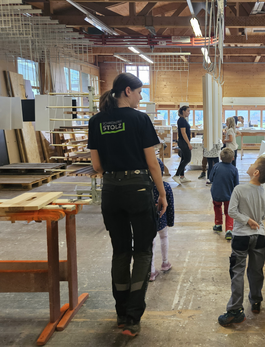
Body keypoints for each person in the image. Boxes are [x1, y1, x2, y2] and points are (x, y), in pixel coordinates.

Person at [88, 73, 168, 337]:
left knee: (120, 252)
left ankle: (121, 314)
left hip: (111, 191)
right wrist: (162, 193)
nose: (140, 97)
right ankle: (133, 318)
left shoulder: (96, 122)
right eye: (139, 92)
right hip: (138, 189)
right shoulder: (140, 119)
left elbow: (97, 167)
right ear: (127, 91)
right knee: (143, 252)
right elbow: (152, 163)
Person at [217, 157, 265, 327]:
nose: (250, 166)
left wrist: (246, 220)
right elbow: (264, 216)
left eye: (253, 164)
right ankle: (256, 301)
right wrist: (254, 220)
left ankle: (235, 310)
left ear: (256, 172)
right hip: (259, 236)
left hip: (241, 237)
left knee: (237, 271)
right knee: (256, 270)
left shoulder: (239, 189)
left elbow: (231, 211)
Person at [150, 158, 174, 281]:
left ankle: (151, 270)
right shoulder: (165, 187)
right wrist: (170, 221)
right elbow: (170, 205)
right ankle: (165, 263)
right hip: (162, 220)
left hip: (148, 220)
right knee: (164, 237)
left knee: (150, 243)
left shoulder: (145, 188)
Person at [209, 148, 239, 240]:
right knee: (228, 211)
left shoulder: (216, 166)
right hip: (229, 194)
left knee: (217, 207)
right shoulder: (234, 169)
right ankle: (229, 230)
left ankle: (218, 224)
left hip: (216, 193)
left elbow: (211, 179)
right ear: (233, 158)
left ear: (220, 157)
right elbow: (236, 184)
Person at [174, 106, 192, 184]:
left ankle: (182, 176)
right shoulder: (181, 120)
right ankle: (176, 175)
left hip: (183, 142)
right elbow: (183, 133)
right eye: (188, 111)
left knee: (183, 159)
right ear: (183, 111)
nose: (189, 113)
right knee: (187, 159)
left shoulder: (183, 120)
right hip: (183, 142)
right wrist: (188, 144)